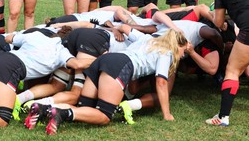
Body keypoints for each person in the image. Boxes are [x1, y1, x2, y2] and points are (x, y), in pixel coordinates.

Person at [25, 29, 188, 135]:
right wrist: (166, 114)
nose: (182, 55)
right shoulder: (167, 53)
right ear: (176, 45)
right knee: (104, 115)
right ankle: (62, 113)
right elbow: (161, 82)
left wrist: (115, 28)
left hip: (104, 59)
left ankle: (43, 108)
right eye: (183, 51)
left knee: (85, 109)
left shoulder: (146, 39)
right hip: (120, 66)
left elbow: (125, 27)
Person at [0, 28, 91, 137]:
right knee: (2, 119)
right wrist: (99, 58)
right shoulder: (62, 51)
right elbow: (77, 64)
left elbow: (8, 38)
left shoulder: (36, 35)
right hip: (9, 66)